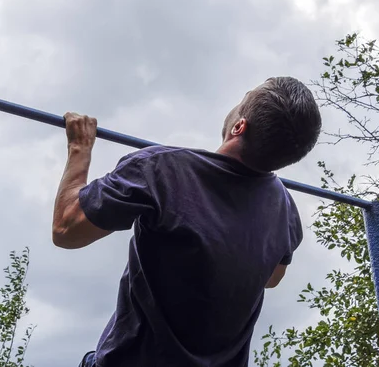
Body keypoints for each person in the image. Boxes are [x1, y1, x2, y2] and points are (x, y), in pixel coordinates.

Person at [52, 76, 322, 367]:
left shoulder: (161, 169)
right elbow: (272, 278)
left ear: (238, 126)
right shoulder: (286, 211)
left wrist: (80, 148)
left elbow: (67, 229)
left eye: (243, 99)